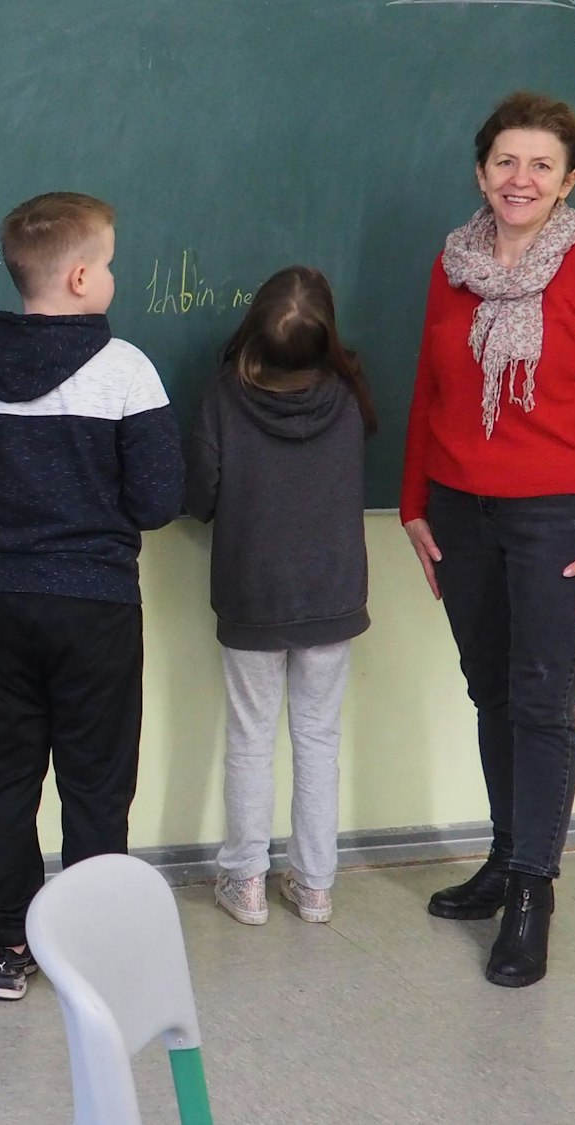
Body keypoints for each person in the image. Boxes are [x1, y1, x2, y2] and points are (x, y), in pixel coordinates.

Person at [401, 91, 575, 987]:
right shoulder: (453, 268)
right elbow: (430, 391)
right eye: (506, 161)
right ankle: (505, 856)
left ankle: (532, 892)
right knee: (492, 691)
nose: (521, 178)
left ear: (568, 180)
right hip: (459, 511)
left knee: (544, 702)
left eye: (542, 165)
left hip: (562, 519)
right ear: (482, 172)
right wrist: (413, 503)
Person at [0, 192, 183, 1000]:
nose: (111, 277)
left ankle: (7, 944)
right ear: (79, 277)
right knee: (96, 780)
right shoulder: (126, 369)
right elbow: (157, 501)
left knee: (4, 774)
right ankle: (92, 950)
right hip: (95, 604)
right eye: (108, 264)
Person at [184, 265, 376, 928]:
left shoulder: (223, 397)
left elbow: (200, 496)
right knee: (319, 738)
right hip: (332, 593)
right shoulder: (348, 397)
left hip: (252, 596)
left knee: (250, 737)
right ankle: (315, 885)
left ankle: (245, 882)